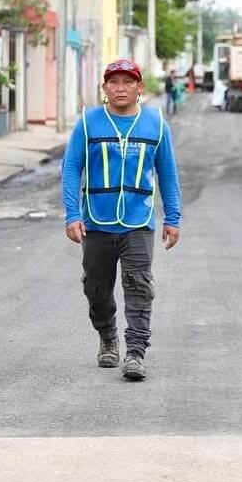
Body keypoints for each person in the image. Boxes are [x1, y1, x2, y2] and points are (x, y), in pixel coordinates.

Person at [62, 59, 181, 381]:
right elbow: (72, 167)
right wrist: (72, 214)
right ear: (105, 88)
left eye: (128, 82)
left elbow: (167, 173)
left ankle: (136, 353)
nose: (120, 88)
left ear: (139, 88)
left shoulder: (155, 124)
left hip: (138, 221)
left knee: (139, 286)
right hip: (97, 222)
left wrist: (173, 217)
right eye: (114, 82)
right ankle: (107, 335)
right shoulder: (88, 123)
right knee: (96, 288)